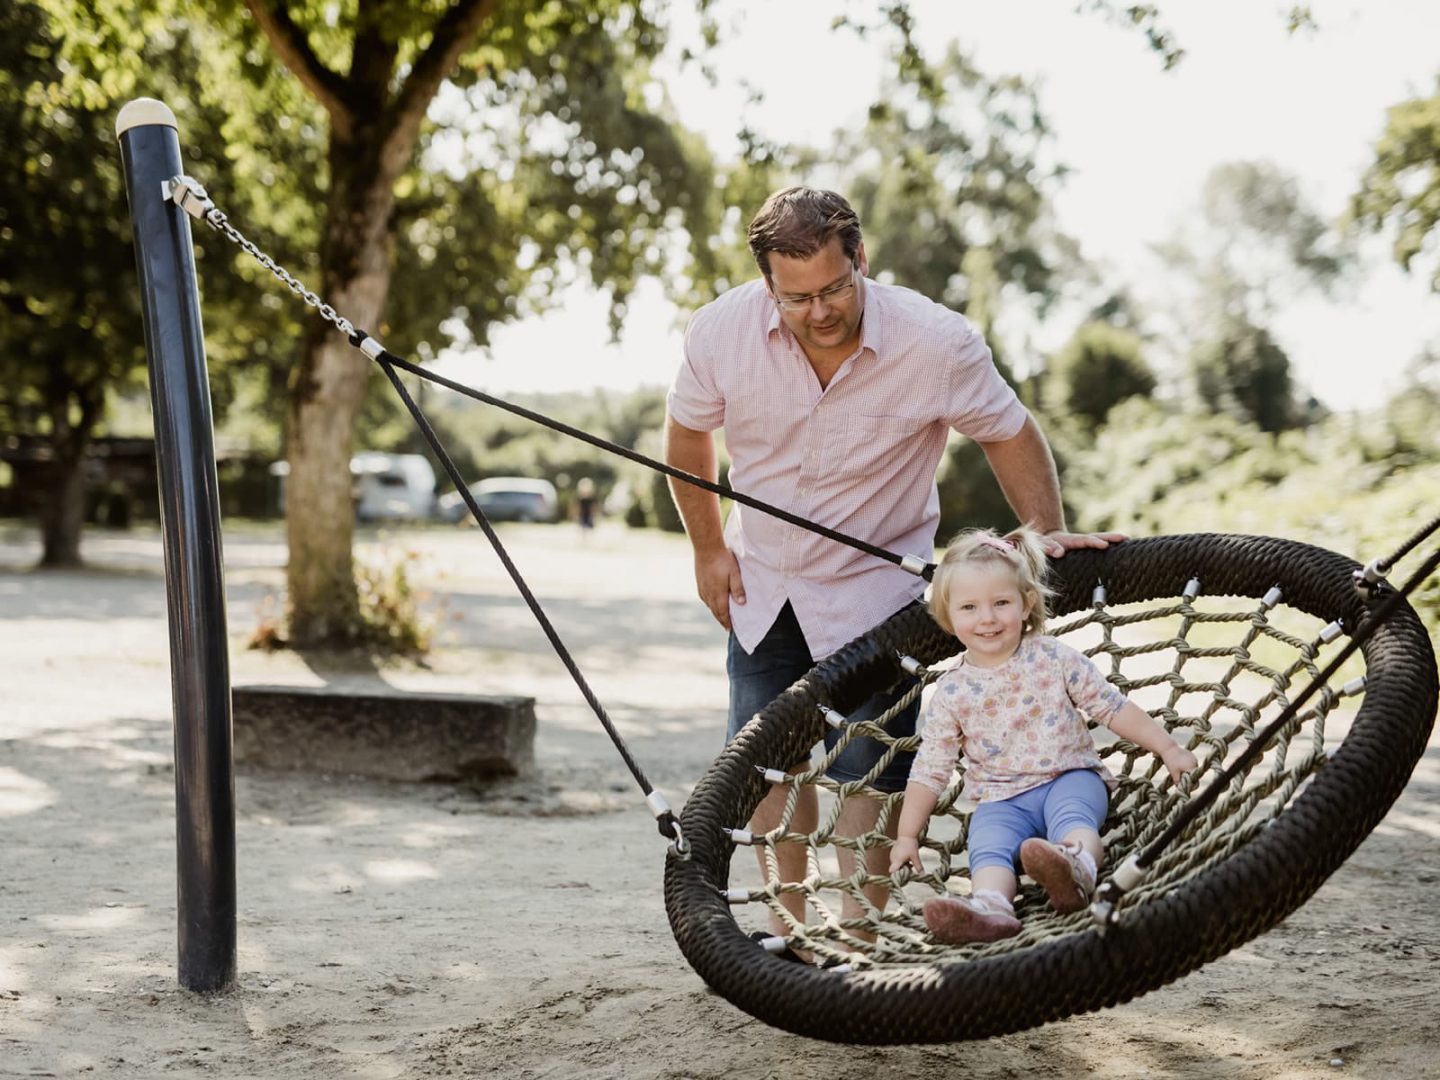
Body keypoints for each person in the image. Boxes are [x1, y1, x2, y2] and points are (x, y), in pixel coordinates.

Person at [664, 186, 1124, 942]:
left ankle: (858, 931)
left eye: (835, 288)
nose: (819, 311)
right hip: (763, 585)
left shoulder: (936, 341)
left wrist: (1045, 531)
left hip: (876, 598)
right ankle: (787, 926)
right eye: (795, 297)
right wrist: (709, 548)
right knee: (770, 771)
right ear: (766, 283)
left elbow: (1009, 430)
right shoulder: (719, 331)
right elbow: (686, 437)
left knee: (868, 775)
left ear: (862, 260)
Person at [888, 527, 1199, 944]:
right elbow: (931, 767)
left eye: (1001, 603)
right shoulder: (952, 691)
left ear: (1026, 604)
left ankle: (1075, 867)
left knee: (1074, 818)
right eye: (969, 607)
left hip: (1068, 777)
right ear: (948, 617)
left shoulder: (1053, 657)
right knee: (988, 845)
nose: (987, 618)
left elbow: (1111, 707)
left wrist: (1169, 748)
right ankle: (991, 907)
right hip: (1001, 800)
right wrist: (907, 835)